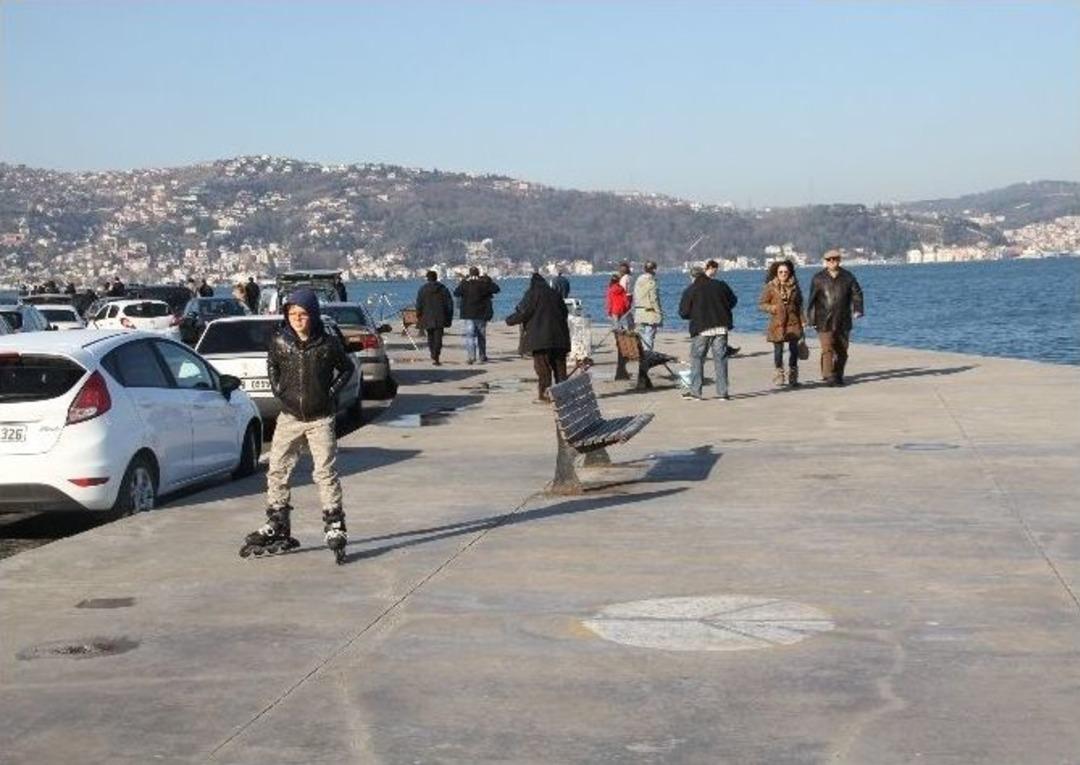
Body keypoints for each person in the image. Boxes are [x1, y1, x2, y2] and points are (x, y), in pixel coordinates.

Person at [240, 288, 356, 564]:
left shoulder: (327, 344)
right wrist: (279, 390)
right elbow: (272, 364)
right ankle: (278, 519)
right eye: (292, 314)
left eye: (303, 314)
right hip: (290, 417)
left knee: (325, 472)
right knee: (277, 468)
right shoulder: (280, 341)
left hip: (321, 418)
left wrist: (331, 393)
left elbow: (347, 368)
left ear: (313, 315)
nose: (297, 319)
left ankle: (334, 521)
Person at [678, 259, 738, 401]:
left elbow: (683, 313)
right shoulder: (720, 285)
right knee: (721, 359)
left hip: (701, 329)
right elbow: (733, 301)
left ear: (692, 277)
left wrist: (695, 313)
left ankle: (696, 392)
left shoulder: (691, 289)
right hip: (721, 327)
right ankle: (723, 393)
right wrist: (722, 308)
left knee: (697, 360)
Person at [506, 273, 571, 402]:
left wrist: (510, 320)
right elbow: (565, 313)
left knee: (543, 368)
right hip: (559, 338)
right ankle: (562, 394)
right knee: (560, 367)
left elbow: (524, 312)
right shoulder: (555, 294)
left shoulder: (531, 294)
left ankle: (545, 394)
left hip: (540, 339)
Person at [807, 249, 864, 386]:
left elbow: (857, 294)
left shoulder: (848, 277)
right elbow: (812, 300)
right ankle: (828, 375)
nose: (832, 262)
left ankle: (838, 374)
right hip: (823, 320)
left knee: (842, 350)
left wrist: (857, 309)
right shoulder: (818, 278)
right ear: (825, 262)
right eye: (829, 260)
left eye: (835, 259)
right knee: (827, 348)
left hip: (843, 319)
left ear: (839, 260)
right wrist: (810, 319)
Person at [759, 259, 805, 388]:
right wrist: (772, 308)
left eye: (785, 272)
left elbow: (799, 304)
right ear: (776, 273)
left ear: (789, 272)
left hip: (793, 322)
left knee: (794, 350)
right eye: (781, 272)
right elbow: (762, 304)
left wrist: (803, 319)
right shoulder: (770, 286)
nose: (783, 274)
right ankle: (779, 374)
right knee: (778, 351)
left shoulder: (795, 286)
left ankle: (793, 375)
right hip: (777, 323)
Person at [454, 266, 500, 364]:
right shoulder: (484, 284)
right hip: (481, 314)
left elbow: (456, 293)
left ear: (470, 274)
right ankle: (482, 355)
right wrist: (487, 280)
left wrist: (463, 281)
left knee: (470, 336)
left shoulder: (465, 284)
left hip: (468, 314)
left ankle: (471, 357)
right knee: (481, 336)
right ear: (478, 273)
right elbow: (496, 289)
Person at [415, 270, 453, 365]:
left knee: (430, 336)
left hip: (427, 317)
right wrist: (449, 316)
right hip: (440, 316)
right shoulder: (443, 289)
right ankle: (436, 354)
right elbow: (449, 304)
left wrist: (419, 315)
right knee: (438, 337)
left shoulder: (422, 289)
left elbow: (419, 304)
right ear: (436, 278)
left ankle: (433, 353)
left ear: (427, 278)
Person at [632, 260, 663, 351]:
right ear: (654, 269)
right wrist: (659, 314)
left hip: (639, 310)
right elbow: (654, 300)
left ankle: (642, 353)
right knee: (649, 334)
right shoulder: (651, 282)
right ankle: (647, 354)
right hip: (649, 311)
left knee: (642, 335)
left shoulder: (638, 280)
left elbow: (635, 296)